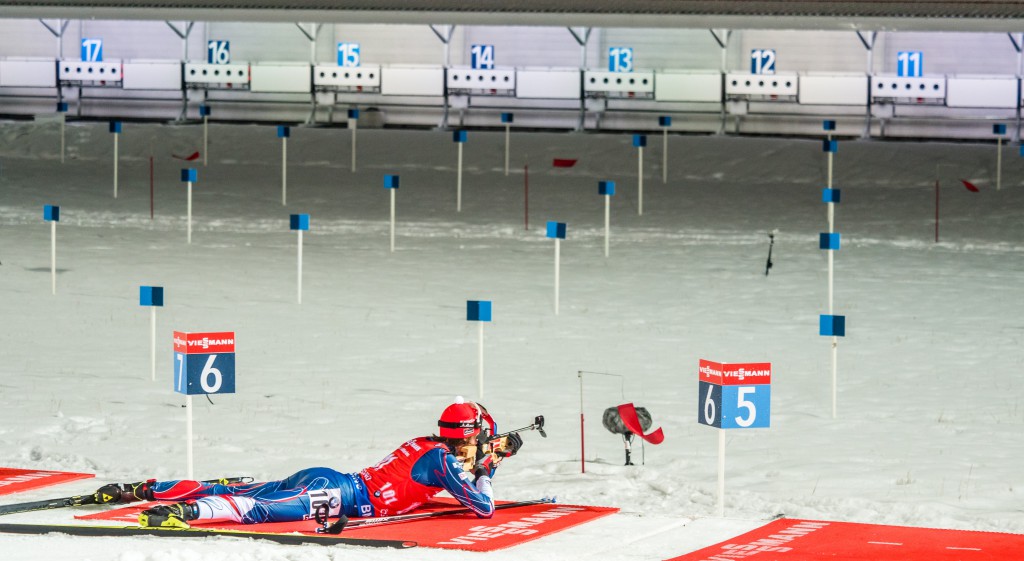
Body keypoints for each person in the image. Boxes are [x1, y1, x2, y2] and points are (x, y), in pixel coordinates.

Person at [92, 397, 523, 528]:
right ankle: (185, 511)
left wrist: (484, 458)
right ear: (471, 435)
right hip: (338, 496)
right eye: (482, 436)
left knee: (242, 490)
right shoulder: (446, 463)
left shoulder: (425, 445)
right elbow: (482, 506)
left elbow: (443, 469)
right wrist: (490, 465)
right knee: (261, 511)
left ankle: (149, 488)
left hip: (332, 480)